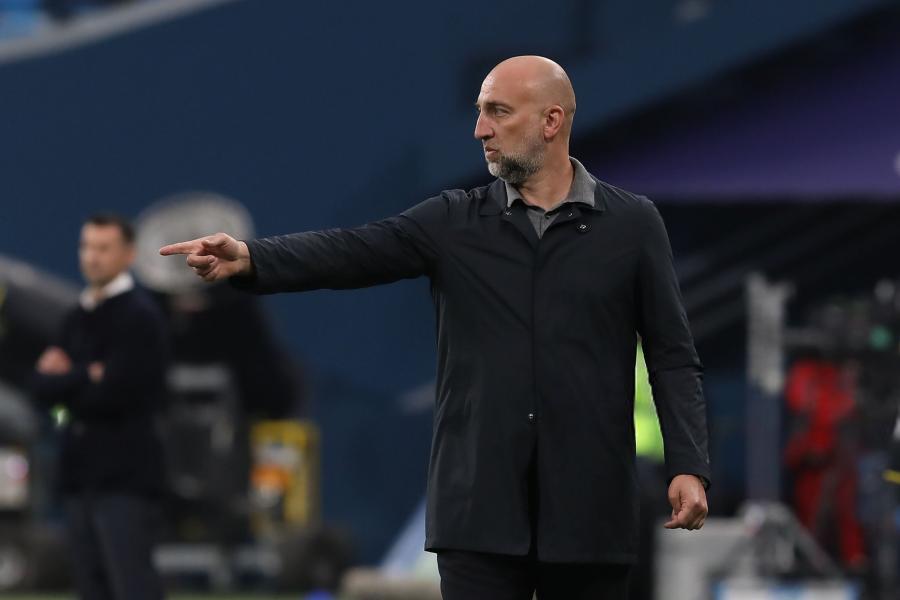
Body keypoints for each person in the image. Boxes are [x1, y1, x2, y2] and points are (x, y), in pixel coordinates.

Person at [161, 56, 710, 600]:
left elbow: (672, 356)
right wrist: (251, 258)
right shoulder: (452, 221)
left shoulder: (632, 224)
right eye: (479, 112)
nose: (480, 130)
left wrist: (688, 466)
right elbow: (352, 251)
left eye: (498, 112)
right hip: (479, 515)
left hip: (590, 513)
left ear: (551, 121)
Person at [33, 213, 168, 600]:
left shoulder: (140, 316)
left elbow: (116, 393)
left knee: (131, 585)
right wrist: (84, 375)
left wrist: (66, 380)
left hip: (125, 478)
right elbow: (41, 390)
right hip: (79, 477)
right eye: (86, 246)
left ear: (128, 255)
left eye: (103, 248)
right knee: (90, 588)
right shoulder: (75, 316)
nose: (92, 257)